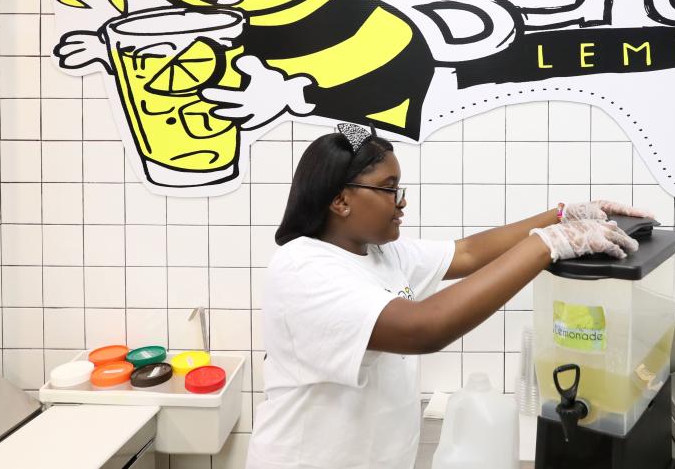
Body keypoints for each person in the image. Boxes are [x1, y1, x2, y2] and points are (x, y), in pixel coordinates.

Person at [246, 123, 653, 469]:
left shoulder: (380, 252)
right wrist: (546, 245)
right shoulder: (304, 269)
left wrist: (562, 215)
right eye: (389, 189)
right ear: (340, 199)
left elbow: (469, 252)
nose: (401, 202)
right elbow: (422, 329)